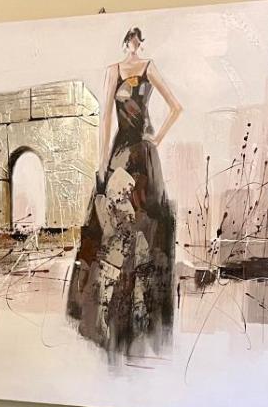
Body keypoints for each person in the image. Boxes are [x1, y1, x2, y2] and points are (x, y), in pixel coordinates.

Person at [66, 26, 182, 355]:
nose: (134, 44)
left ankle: (140, 318)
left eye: (137, 40)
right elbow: (105, 117)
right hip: (121, 152)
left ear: (140, 42)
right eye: (131, 40)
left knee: (146, 226)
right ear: (125, 42)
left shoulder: (148, 67)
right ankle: (106, 315)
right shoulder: (113, 71)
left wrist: (156, 140)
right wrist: (103, 161)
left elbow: (176, 107)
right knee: (110, 226)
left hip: (143, 155)